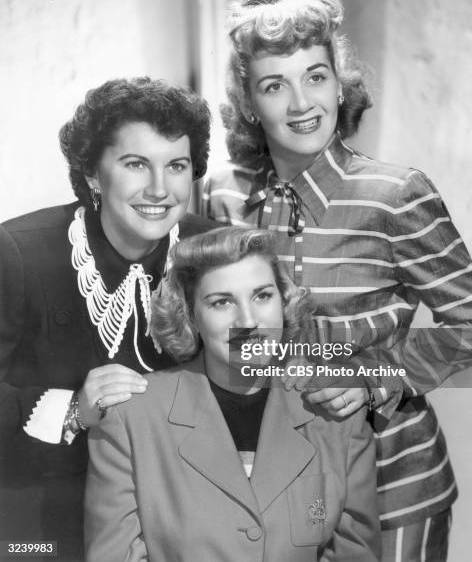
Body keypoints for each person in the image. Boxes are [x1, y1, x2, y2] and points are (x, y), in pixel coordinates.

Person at [202, 0, 472, 560]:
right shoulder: (221, 195)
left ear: (339, 85)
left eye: (317, 76)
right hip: (274, 490)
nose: (302, 102)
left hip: (392, 488)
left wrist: (370, 378)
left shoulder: (396, 195)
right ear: (249, 103)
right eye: (274, 84)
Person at [0, 77, 216, 561]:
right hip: (46, 529)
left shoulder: (212, 250)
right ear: (94, 174)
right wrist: (74, 409)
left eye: (176, 166)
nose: (160, 189)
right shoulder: (18, 253)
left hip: (181, 521)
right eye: (136, 164)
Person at [85, 226, 381, 561]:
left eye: (262, 296)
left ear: (284, 303)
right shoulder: (129, 419)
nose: (249, 320)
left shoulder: (337, 414)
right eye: (222, 302)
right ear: (190, 315)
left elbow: (354, 553)